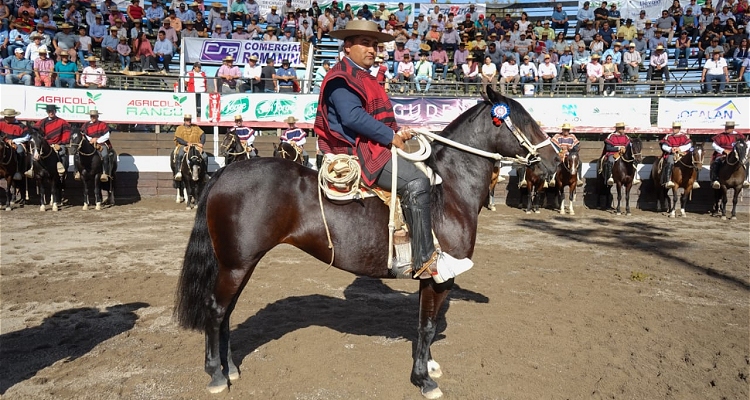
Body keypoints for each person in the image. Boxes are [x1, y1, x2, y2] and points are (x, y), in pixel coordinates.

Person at [314, 20, 473, 283]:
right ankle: (424, 260)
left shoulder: (364, 76)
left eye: (375, 45)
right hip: (358, 151)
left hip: (373, 143)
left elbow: (374, 118)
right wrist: (390, 136)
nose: (372, 50)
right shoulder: (341, 78)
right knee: (417, 181)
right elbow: (352, 116)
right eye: (365, 43)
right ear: (347, 46)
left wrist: (397, 133)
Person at [710, 121, 749, 189]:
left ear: (733, 128)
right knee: (716, 162)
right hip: (722, 154)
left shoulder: (739, 136)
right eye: (726, 127)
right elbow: (714, 145)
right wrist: (723, 150)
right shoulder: (720, 136)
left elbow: (747, 143)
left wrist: (743, 152)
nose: (726, 129)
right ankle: (715, 179)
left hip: (737, 154)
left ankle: (745, 180)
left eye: (729, 127)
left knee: (746, 162)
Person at [659, 121, 698, 189]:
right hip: (672, 154)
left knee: (693, 161)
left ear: (679, 128)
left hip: (683, 154)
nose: (675, 129)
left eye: (676, 128)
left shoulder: (684, 136)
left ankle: (695, 181)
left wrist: (679, 148)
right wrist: (671, 149)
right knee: (670, 161)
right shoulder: (669, 136)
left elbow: (689, 145)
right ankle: (668, 180)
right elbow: (664, 146)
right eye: (674, 128)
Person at [34, 104, 71, 175]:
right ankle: (32, 169)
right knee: (35, 154)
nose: (51, 113)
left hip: (58, 143)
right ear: (47, 112)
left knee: (62, 153)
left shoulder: (62, 122)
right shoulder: (42, 122)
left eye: (52, 111)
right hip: (45, 144)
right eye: (49, 111)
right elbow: (35, 131)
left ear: (55, 111)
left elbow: (66, 133)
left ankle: (63, 172)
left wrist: (61, 143)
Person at [78, 110, 113, 182]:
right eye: (91, 116)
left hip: (101, 143)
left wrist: (97, 140)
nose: (92, 117)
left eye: (94, 116)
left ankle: (105, 173)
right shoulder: (86, 125)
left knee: (104, 155)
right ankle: (77, 172)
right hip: (89, 143)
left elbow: (107, 135)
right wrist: (91, 139)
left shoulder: (103, 124)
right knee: (77, 155)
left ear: (97, 116)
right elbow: (83, 134)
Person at [172, 113, 206, 181]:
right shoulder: (179, 128)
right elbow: (178, 138)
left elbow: (203, 134)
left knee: (205, 156)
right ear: (184, 120)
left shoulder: (196, 127)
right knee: (180, 154)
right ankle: (179, 172)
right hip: (184, 145)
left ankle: (205, 174)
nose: (189, 121)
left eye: (189, 120)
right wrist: (186, 143)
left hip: (195, 146)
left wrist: (201, 143)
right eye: (187, 120)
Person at [0, 107, 31, 180]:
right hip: (2, 141)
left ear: (13, 117)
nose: (6, 118)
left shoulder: (21, 126)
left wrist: (14, 141)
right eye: (5, 117)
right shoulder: (1, 123)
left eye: (8, 117)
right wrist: (4, 140)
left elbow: (27, 137)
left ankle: (19, 171)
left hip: (16, 143)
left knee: (20, 151)